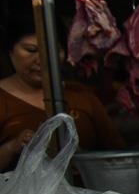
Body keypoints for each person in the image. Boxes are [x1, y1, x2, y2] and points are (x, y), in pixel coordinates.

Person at [0, 18, 124, 169]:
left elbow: (116, 155)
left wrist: (80, 157)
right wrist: (11, 147)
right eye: (31, 50)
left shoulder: (80, 95)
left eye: (52, 50)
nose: (42, 60)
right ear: (10, 51)